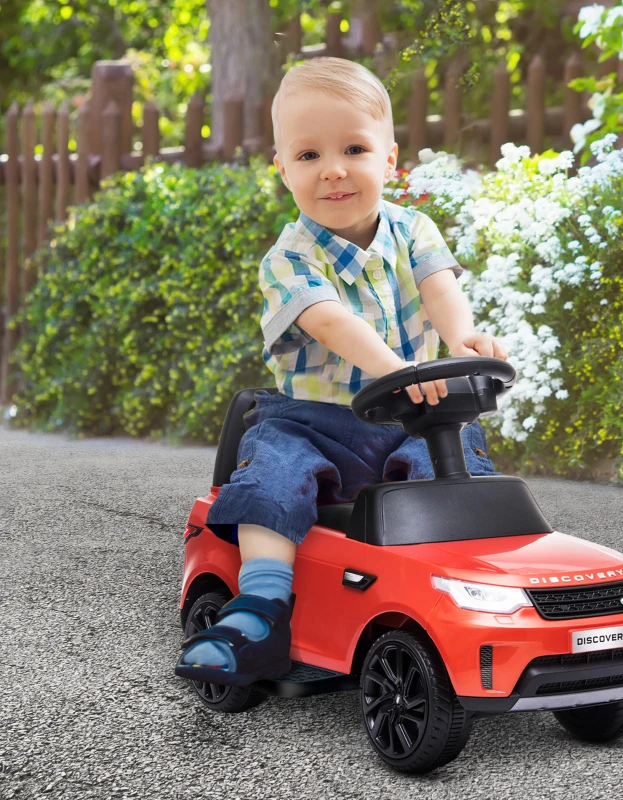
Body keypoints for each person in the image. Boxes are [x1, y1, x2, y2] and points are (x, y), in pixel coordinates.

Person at [175, 56, 508, 687]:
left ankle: (466, 577)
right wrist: (399, 367)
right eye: (308, 156)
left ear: (388, 159)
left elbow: (440, 290)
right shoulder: (287, 260)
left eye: (354, 147)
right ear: (283, 171)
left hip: (410, 417)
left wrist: (463, 337)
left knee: (455, 447)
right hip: (313, 422)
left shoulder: (413, 230)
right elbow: (330, 322)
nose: (332, 169)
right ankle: (263, 609)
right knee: (274, 462)